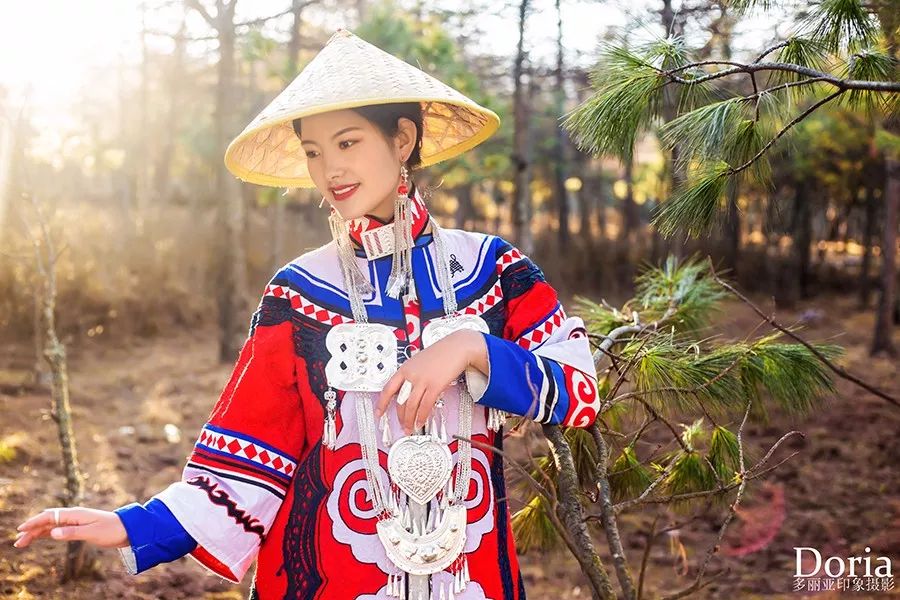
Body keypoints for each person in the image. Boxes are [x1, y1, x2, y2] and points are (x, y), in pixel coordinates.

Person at [13, 28, 601, 600]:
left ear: (401, 140)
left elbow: (579, 392)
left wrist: (471, 348)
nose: (330, 170)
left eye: (348, 144)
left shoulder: (495, 271)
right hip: (328, 576)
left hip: (471, 576)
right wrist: (137, 526)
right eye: (314, 152)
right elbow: (252, 453)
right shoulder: (297, 294)